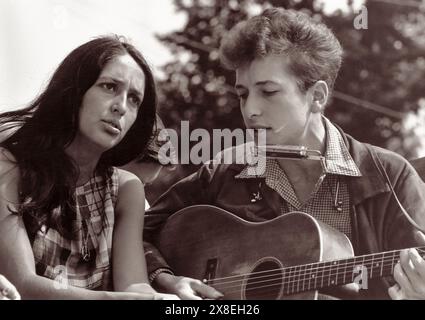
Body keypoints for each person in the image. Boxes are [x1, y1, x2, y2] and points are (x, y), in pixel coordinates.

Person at [143, 8, 425, 300]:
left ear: (317, 96)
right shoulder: (224, 171)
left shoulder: (390, 176)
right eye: (242, 94)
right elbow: (138, 234)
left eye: (268, 92)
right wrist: (165, 279)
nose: (250, 110)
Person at [0, 35, 178, 299]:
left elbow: (133, 286)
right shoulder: (9, 166)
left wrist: (160, 298)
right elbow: (23, 285)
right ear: (74, 91)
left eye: (134, 100)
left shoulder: (127, 189)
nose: (121, 107)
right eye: (109, 86)